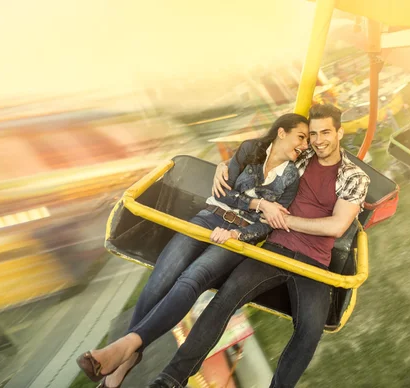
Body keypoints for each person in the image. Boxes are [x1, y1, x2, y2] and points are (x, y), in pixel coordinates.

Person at [76, 113, 310, 387]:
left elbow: (268, 226)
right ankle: (127, 356)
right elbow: (223, 194)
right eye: (301, 137)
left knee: (192, 278)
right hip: (208, 217)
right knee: (163, 275)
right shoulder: (250, 149)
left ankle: (125, 349)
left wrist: (238, 233)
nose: (304, 145)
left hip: (235, 238)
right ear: (282, 132)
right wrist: (260, 204)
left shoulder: (291, 179)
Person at [147, 103, 370, 388]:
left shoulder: (353, 177)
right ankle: (170, 379)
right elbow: (259, 160)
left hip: (314, 264)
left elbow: (336, 226)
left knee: (309, 332)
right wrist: (223, 168)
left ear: (339, 132)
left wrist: (282, 219)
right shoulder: (300, 157)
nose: (318, 140)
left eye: (326, 132)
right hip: (275, 250)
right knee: (224, 300)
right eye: (313, 134)